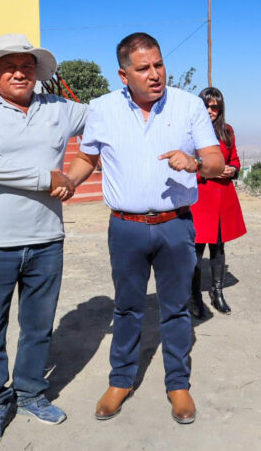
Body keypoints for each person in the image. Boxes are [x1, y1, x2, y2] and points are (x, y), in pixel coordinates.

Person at [64, 33, 224, 424]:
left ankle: (178, 384)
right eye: (143, 68)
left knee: (175, 309)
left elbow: (216, 162)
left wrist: (196, 164)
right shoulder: (102, 109)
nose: (155, 74)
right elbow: (87, 157)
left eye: (158, 64)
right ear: (124, 74)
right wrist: (69, 182)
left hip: (175, 226)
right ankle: (121, 380)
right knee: (128, 308)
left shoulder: (188, 106)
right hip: (126, 228)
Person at [0, 34, 88, 448]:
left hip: (47, 238)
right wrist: (47, 178)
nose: (19, 72)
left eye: (27, 65)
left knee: (37, 326)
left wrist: (156, 92)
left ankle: (30, 392)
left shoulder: (58, 109)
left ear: (37, 72)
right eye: (9, 65)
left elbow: (106, 119)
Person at [189, 87, 247, 318]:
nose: (210, 110)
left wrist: (232, 170)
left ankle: (217, 292)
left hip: (223, 197)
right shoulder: (189, 131)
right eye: (206, 105)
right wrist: (207, 172)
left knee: (219, 248)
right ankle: (193, 296)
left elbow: (234, 160)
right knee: (195, 250)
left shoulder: (227, 131)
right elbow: (185, 165)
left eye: (215, 106)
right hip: (199, 198)